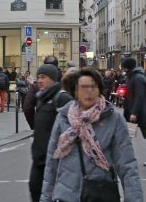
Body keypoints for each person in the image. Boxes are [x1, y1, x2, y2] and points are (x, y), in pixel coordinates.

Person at [41, 68, 143, 202]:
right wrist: (45, 198)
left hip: (100, 193)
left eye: (93, 86)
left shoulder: (113, 118)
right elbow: (51, 163)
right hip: (66, 195)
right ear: (75, 92)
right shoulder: (63, 117)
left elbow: (127, 164)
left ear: (100, 89)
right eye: (84, 87)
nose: (89, 91)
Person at [29, 63, 71, 202]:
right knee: (35, 190)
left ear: (53, 79)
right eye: (38, 77)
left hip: (54, 161)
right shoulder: (42, 97)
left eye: (43, 77)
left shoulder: (62, 98)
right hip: (39, 159)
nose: (39, 81)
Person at [123, 57, 146, 165]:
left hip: (139, 113)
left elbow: (139, 96)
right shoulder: (132, 76)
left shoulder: (137, 77)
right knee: (127, 136)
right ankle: (127, 159)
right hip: (132, 112)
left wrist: (134, 113)